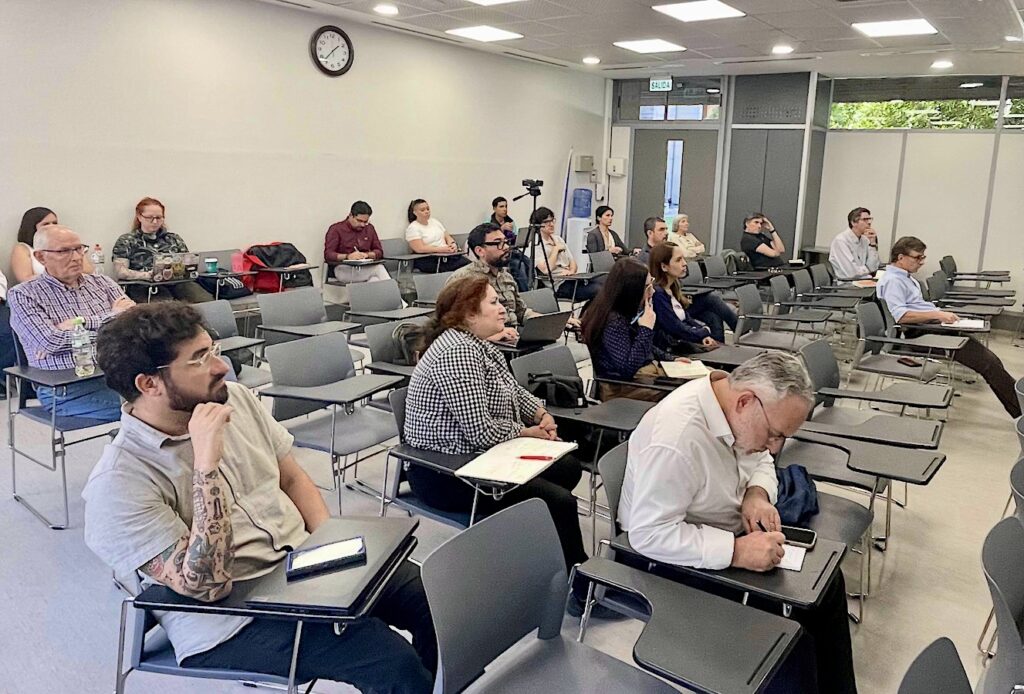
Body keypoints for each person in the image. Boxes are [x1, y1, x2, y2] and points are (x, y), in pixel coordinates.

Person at [83, 303, 436, 692]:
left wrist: (330, 542)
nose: (220, 367)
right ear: (148, 384)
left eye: (213, 349)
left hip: (301, 560)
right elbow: (207, 587)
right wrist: (206, 466)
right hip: (231, 617)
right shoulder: (118, 482)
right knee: (389, 661)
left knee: (433, 599)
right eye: (199, 359)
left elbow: (292, 477)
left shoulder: (232, 397)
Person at [619, 352, 857, 694]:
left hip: (721, 529)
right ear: (746, 402)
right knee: (783, 630)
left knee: (826, 585)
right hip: (666, 559)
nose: (775, 447)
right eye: (775, 433)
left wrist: (756, 494)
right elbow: (648, 534)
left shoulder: (735, 406)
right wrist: (735, 552)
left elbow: (760, 458)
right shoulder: (676, 439)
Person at [402, 276, 590, 599]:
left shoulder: (478, 344)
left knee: (569, 469)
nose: (503, 309)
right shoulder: (456, 353)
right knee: (560, 501)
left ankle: (534, 542)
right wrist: (526, 433)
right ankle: (581, 590)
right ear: (469, 315)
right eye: (494, 303)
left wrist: (540, 415)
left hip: (484, 457)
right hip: (445, 472)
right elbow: (481, 431)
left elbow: (513, 390)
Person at [878, 236, 1021, 418]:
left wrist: (940, 316)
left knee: (991, 361)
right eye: (917, 257)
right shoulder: (893, 281)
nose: (921, 262)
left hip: (931, 326)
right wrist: (937, 315)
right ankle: (1020, 412)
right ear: (900, 257)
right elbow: (902, 316)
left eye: (923, 257)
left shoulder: (905, 278)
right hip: (918, 334)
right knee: (988, 363)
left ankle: (1019, 409)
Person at [8, 225, 132, 421]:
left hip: (119, 375)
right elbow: (51, 342)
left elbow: (135, 325)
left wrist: (81, 323)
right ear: (41, 257)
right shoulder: (23, 294)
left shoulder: (103, 283)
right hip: (66, 389)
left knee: (182, 399)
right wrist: (113, 317)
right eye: (64, 251)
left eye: (79, 248)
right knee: (156, 411)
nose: (76, 257)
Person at [580, 258, 687, 402]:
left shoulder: (626, 311)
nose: (653, 291)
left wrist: (672, 359)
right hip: (622, 388)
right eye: (648, 286)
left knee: (710, 378)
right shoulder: (614, 321)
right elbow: (627, 369)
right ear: (633, 290)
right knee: (693, 392)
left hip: (642, 376)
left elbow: (646, 348)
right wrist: (646, 329)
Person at [448, 223, 538, 343]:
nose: (506, 247)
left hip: (514, 335)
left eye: (506, 242)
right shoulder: (464, 279)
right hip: (485, 343)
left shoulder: (506, 276)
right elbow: (452, 324)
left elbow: (520, 311)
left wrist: (545, 321)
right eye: (498, 243)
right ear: (480, 251)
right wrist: (490, 337)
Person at [112, 197, 213, 303]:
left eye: (159, 217)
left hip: (177, 283)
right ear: (139, 217)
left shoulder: (174, 239)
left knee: (206, 302)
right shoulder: (127, 241)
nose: (155, 221)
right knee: (165, 309)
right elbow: (120, 272)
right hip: (143, 285)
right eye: (149, 217)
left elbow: (187, 263)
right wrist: (147, 275)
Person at [649, 243, 718, 355]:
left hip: (682, 343)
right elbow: (676, 328)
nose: (684, 264)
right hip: (669, 350)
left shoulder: (672, 288)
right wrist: (704, 332)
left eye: (683, 259)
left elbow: (685, 318)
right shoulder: (658, 294)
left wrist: (704, 334)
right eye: (678, 260)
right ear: (664, 267)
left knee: (713, 317)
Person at [532, 206, 603, 303]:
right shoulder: (536, 244)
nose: (551, 224)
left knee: (604, 287)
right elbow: (546, 270)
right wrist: (556, 250)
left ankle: (587, 316)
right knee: (598, 290)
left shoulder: (558, 239)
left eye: (552, 221)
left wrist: (571, 272)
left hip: (571, 278)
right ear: (538, 225)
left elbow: (573, 262)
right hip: (558, 285)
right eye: (547, 222)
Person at [14, 207, 95, 282]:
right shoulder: (23, 248)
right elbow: (25, 278)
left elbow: (88, 271)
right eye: (46, 224)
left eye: (54, 223)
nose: (52, 227)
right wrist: (60, 278)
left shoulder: (72, 246)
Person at [323, 200, 390, 284]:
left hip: (364, 267)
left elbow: (379, 251)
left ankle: (383, 296)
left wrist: (367, 255)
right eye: (359, 221)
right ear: (351, 215)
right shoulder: (336, 229)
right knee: (378, 269)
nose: (362, 225)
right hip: (342, 269)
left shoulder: (369, 228)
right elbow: (328, 254)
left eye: (365, 222)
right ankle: (396, 296)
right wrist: (348, 256)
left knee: (375, 280)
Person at [405, 199, 470, 274]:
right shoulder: (413, 227)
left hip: (446, 255)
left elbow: (447, 237)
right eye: (422, 210)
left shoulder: (434, 222)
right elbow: (419, 249)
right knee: (462, 269)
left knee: (471, 266)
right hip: (429, 259)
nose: (426, 211)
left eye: (428, 209)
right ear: (415, 213)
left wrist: (452, 244)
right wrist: (441, 249)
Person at [487, 196, 532, 292]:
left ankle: (532, 287)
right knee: (519, 265)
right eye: (501, 206)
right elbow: (490, 240)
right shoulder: (489, 223)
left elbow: (515, 238)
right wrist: (501, 229)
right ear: (495, 208)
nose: (505, 209)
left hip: (512, 249)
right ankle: (525, 293)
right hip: (500, 253)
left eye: (506, 206)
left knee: (529, 261)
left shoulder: (511, 222)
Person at [829, 207, 880, 282]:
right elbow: (851, 273)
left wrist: (872, 244)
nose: (869, 222)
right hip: (847, 285)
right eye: (865, 219)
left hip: (863, 280)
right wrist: (868, 269)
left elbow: (874, 267)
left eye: (869, 219)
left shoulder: (865, 240)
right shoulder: (841, 241)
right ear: (853, 222)